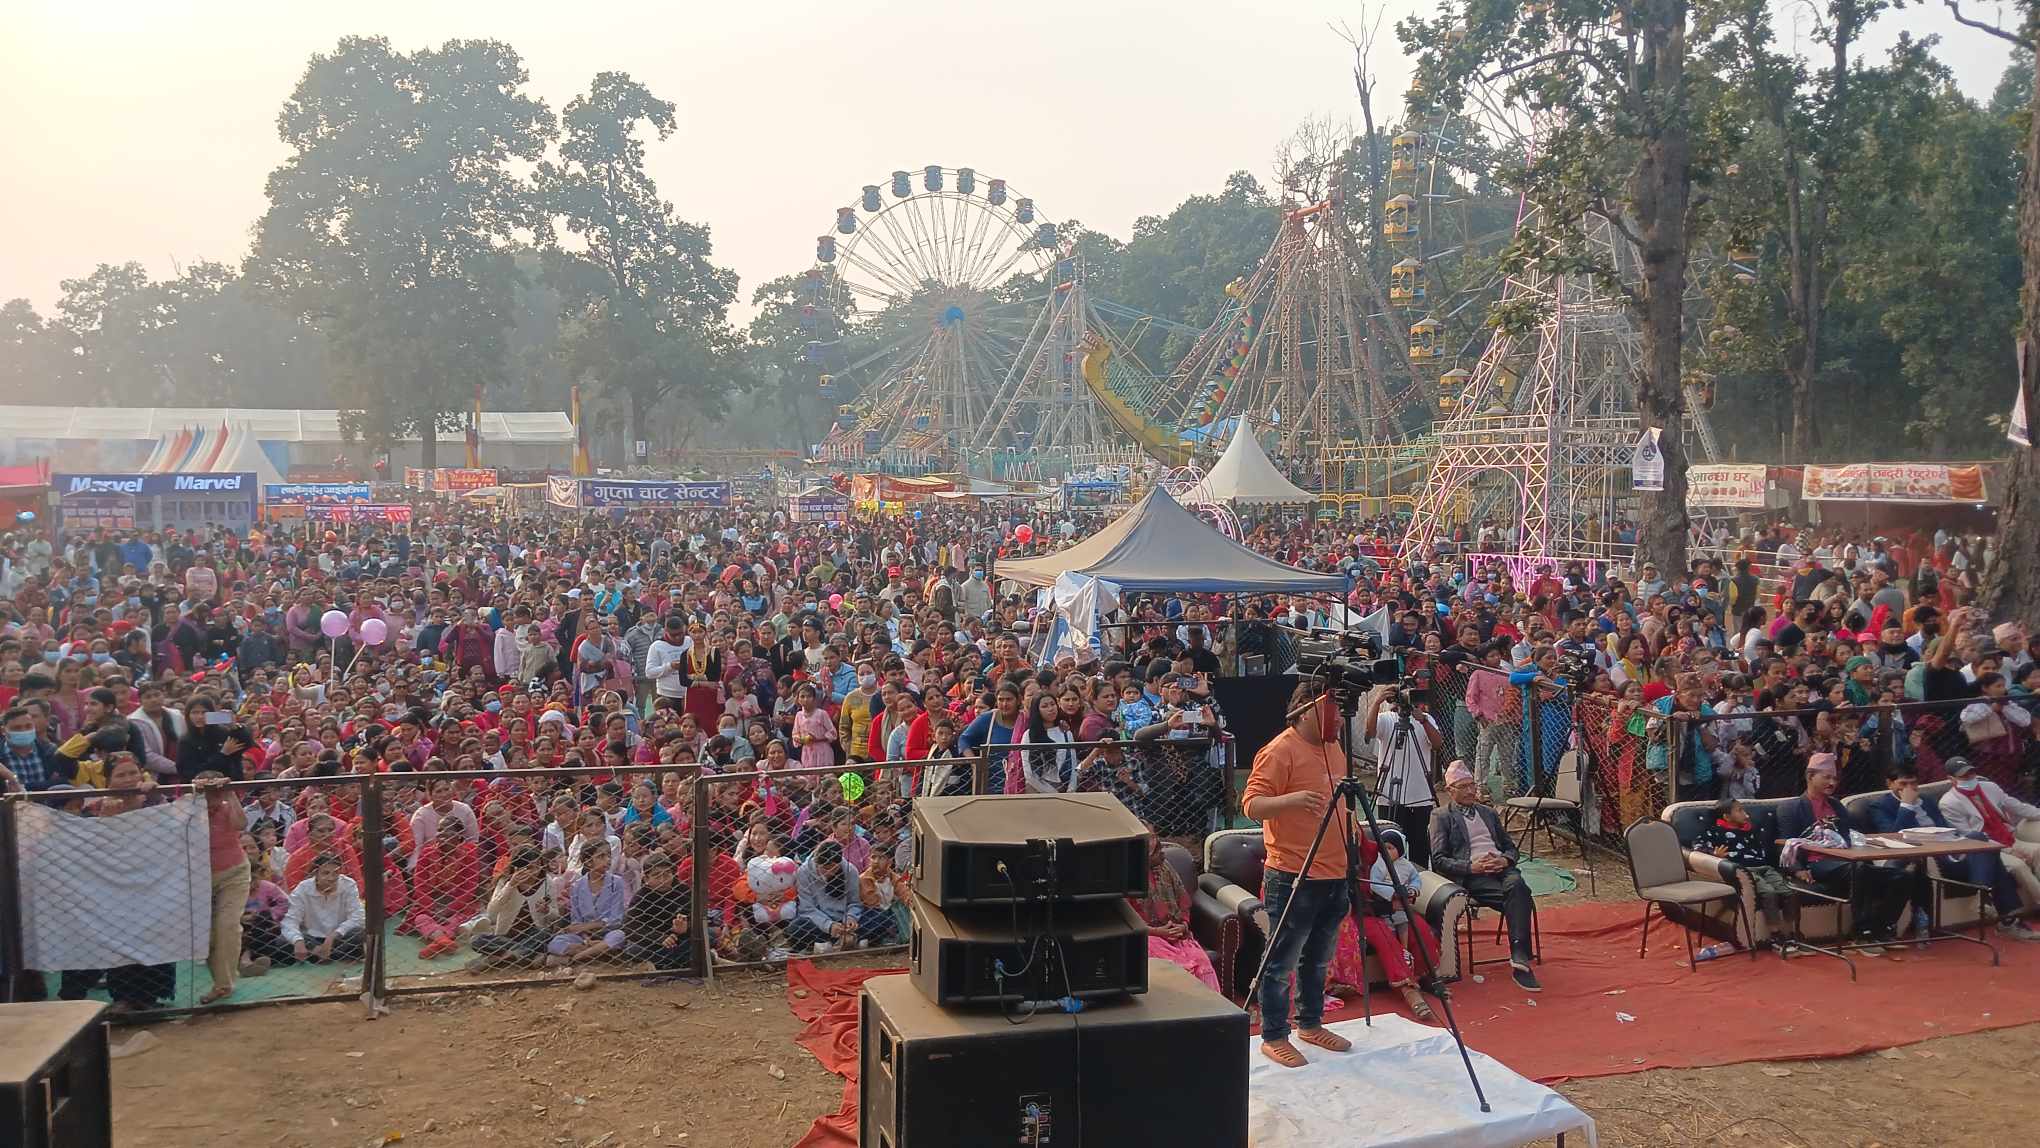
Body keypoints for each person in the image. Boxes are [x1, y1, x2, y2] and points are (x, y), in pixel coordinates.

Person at [1239, 680, 1354, 1068]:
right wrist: (1292, 800)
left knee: (1319, 958)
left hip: (1335, 871)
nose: (1340, 718)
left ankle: (1311, 1022)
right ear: (1307, 710)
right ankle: (1274, 1034)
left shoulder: (1335, 747)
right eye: (1333, 709)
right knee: (1281, 961)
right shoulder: (1279, 750)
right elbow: (1251, 804)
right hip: (1293, 873)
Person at [1775, 755, 1910, 954]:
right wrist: (1797, 870)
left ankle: (1881, 929)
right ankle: (1862, 934)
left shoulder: (1837, 806)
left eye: (1835, 778)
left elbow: (1851, 836)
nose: (1832, 783)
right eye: (1827, 777)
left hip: (1846, 859)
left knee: (1902, 877)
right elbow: (1784, 844)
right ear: (1810, 776)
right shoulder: (1791, 807)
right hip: (1817, 863)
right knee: (1860, 870)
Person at [1429, 761, 1541, 992]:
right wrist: (1472, 867)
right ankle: (1521, 957)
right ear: (1450, 791)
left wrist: (1504, 860)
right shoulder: (1441, 816)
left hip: (1502, 868)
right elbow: (1439, 859)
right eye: (1464, 786)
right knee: (1521, 897)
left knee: (1516, 884)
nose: (1471, 791)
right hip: (1475, 875)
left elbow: (1511, 848)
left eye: (1473, 785)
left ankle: (1519, 956)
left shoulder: (1488, 813)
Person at [1935, 756, 2040, 918]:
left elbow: (2017, 806)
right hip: (1989, 849)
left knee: (2038, 851)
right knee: (2019, 866)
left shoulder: (1989, 787)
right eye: (1964, 776)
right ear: (1951, 779)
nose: (1970, 778)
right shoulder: (1949, 803)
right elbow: (1971, 837)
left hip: (2010, 837)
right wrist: (2010, 851)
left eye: (1971, 773)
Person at [1689, 797, 1794, 950]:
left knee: (1788, 892)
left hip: (1765, 867)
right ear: (1726, 817)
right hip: (1745, 870)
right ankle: (1775, 934)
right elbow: (1697, 848)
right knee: (1769, 893)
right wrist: (1713, 855)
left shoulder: (1750, 829)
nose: (1746, 814)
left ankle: (1791, 931)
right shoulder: (1715, 831)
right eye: (1740, 811)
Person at [1131, 830, 1221, 993]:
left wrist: (1184, 926)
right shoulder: (1125, 874)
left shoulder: (1165, 866)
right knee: (1178, 969)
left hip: (1176, 932)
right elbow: (1122, 919)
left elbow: (1183, 903)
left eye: (1153, 836)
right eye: (1146, 838)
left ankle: (1211, 1014)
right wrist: (1157, 932)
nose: (1153, 842)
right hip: (1145, 936)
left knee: (1202, 962)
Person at [194, 770, 251, 1003]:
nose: (212, 796)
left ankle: (223, 985)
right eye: (208, 792)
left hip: (234, 873)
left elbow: (241, 824)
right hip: (199, 877)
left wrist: (228, 791)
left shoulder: (227, 806)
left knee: (227, 925)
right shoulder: (190, 809)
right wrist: (196, 797)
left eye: (214, 791)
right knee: (207, 934)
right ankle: (222, 979)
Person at [548, 841, 631, 966]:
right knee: (556, 942)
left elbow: (615, 920)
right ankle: (598, 952)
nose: (607, 860)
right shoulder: (577, 886)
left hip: (607, 932)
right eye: (601, 856)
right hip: (584, 937)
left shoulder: (616, 882)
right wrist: (587, 939)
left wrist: (587, 926)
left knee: (618, 936)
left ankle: (576, 958)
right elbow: (576, 921)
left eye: (609, 855)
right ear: (588, 861)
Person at [281, 852, 367, 965]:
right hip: (312, 939)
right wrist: (298, 941)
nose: (331, 878)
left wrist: (333, 936)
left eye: (336, 873)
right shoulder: (303, 888)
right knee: (283, 940)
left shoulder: (348, 885)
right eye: (325, 873)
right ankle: (324, 953)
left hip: (339, 937)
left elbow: (358, 917)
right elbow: (290, 920)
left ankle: (318, 956)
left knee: (359, 933)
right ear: (316, 873)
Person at [623, 850, 692, 970]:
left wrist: (687, 927)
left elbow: (699, 917)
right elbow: (630, 926)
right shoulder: (641, 897)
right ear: (646, 878)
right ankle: (685, 960)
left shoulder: (683, 891)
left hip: (680, 938)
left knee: (709, 935)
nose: (662, 880)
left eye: (667, 874)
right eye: (657, 875)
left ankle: (660, 963)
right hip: (654, 941)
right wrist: (659, 938)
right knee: (633, 949)